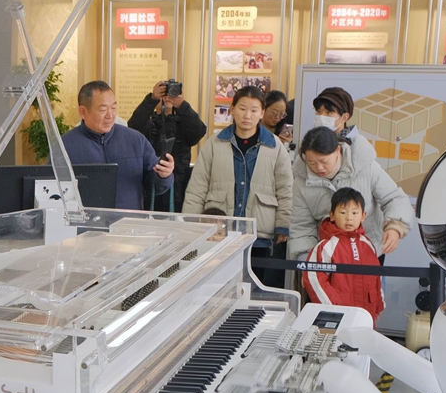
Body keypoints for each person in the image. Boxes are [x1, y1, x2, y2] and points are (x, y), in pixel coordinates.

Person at [183, 86, 292, 285]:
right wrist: (191, 224)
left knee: (254, 288)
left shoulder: (276, 147)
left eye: (254, 110)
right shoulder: (214, 144)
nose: (247, 115)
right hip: (220, 232)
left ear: (262, 112)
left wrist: (283, 225)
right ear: (232, 109)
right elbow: (197, 187)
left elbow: (285, 190)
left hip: (260, 232)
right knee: (218, 286)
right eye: (242, 108)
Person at [288, 126, 413, 262]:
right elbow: (302, 225)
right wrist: (308, 258)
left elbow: (393, 198)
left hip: (369, 248)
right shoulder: (301, 181)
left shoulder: (366, 167)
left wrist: (395, 227)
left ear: (337, 151)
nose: (318, 168)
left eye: (324, 161)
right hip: (328, 255)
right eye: (311, 162)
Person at [62, 80, 172, 211]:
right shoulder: (65, 145)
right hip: (86, 227)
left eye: (113, 108)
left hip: (128, 225)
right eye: (103, 109)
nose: (110, 115)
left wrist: (164, 175)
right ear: (83, 112)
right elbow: (52, 189)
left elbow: (153, 188)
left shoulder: (135, 140)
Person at [302, 187, 384, 323]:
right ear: (332, 215)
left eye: (355, 212)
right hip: (336, 318)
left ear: (363, 216)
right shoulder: (326, 247)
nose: (349, 218)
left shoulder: (367, 245)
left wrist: (377, 307)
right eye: (343, 212)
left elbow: (375, 278)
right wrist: (335, 309)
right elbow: (314, 278)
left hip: (365, 316)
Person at [128, 80, 207, 211]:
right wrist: (151, 99)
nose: (167, 97)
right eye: (164, 93)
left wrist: (182, 105)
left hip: (179, 186)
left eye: (172, 92)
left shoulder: (184, 123)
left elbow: (199, 131)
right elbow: (133, 128)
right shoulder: (148, 124)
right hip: (151, 185)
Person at [311, 87, 375, 159]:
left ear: (344, 117)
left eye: (328, 112)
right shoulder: (311, 141)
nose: (321, 116)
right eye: (318, 111)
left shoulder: (357, 147)